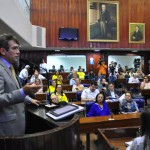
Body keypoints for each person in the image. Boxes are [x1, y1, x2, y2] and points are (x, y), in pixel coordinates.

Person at [0, 34, 41, 136]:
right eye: (14, 48)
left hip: (16, 123)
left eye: (18, 48)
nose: (18, 52)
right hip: (8, 128)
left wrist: (28, 98)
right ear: (3, 51)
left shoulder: (10, 67)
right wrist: (23, 91)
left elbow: (12, 89)